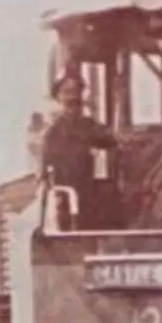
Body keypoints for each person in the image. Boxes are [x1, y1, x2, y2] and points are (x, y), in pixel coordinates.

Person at [35, 70, 115, 230]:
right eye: (67, 92)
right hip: (65, 196)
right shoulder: (53, 132)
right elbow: (44, 171)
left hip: (89, 195)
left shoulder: (89, 125)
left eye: (76, 91)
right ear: (59, 97)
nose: (72, 97)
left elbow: (110, 140)